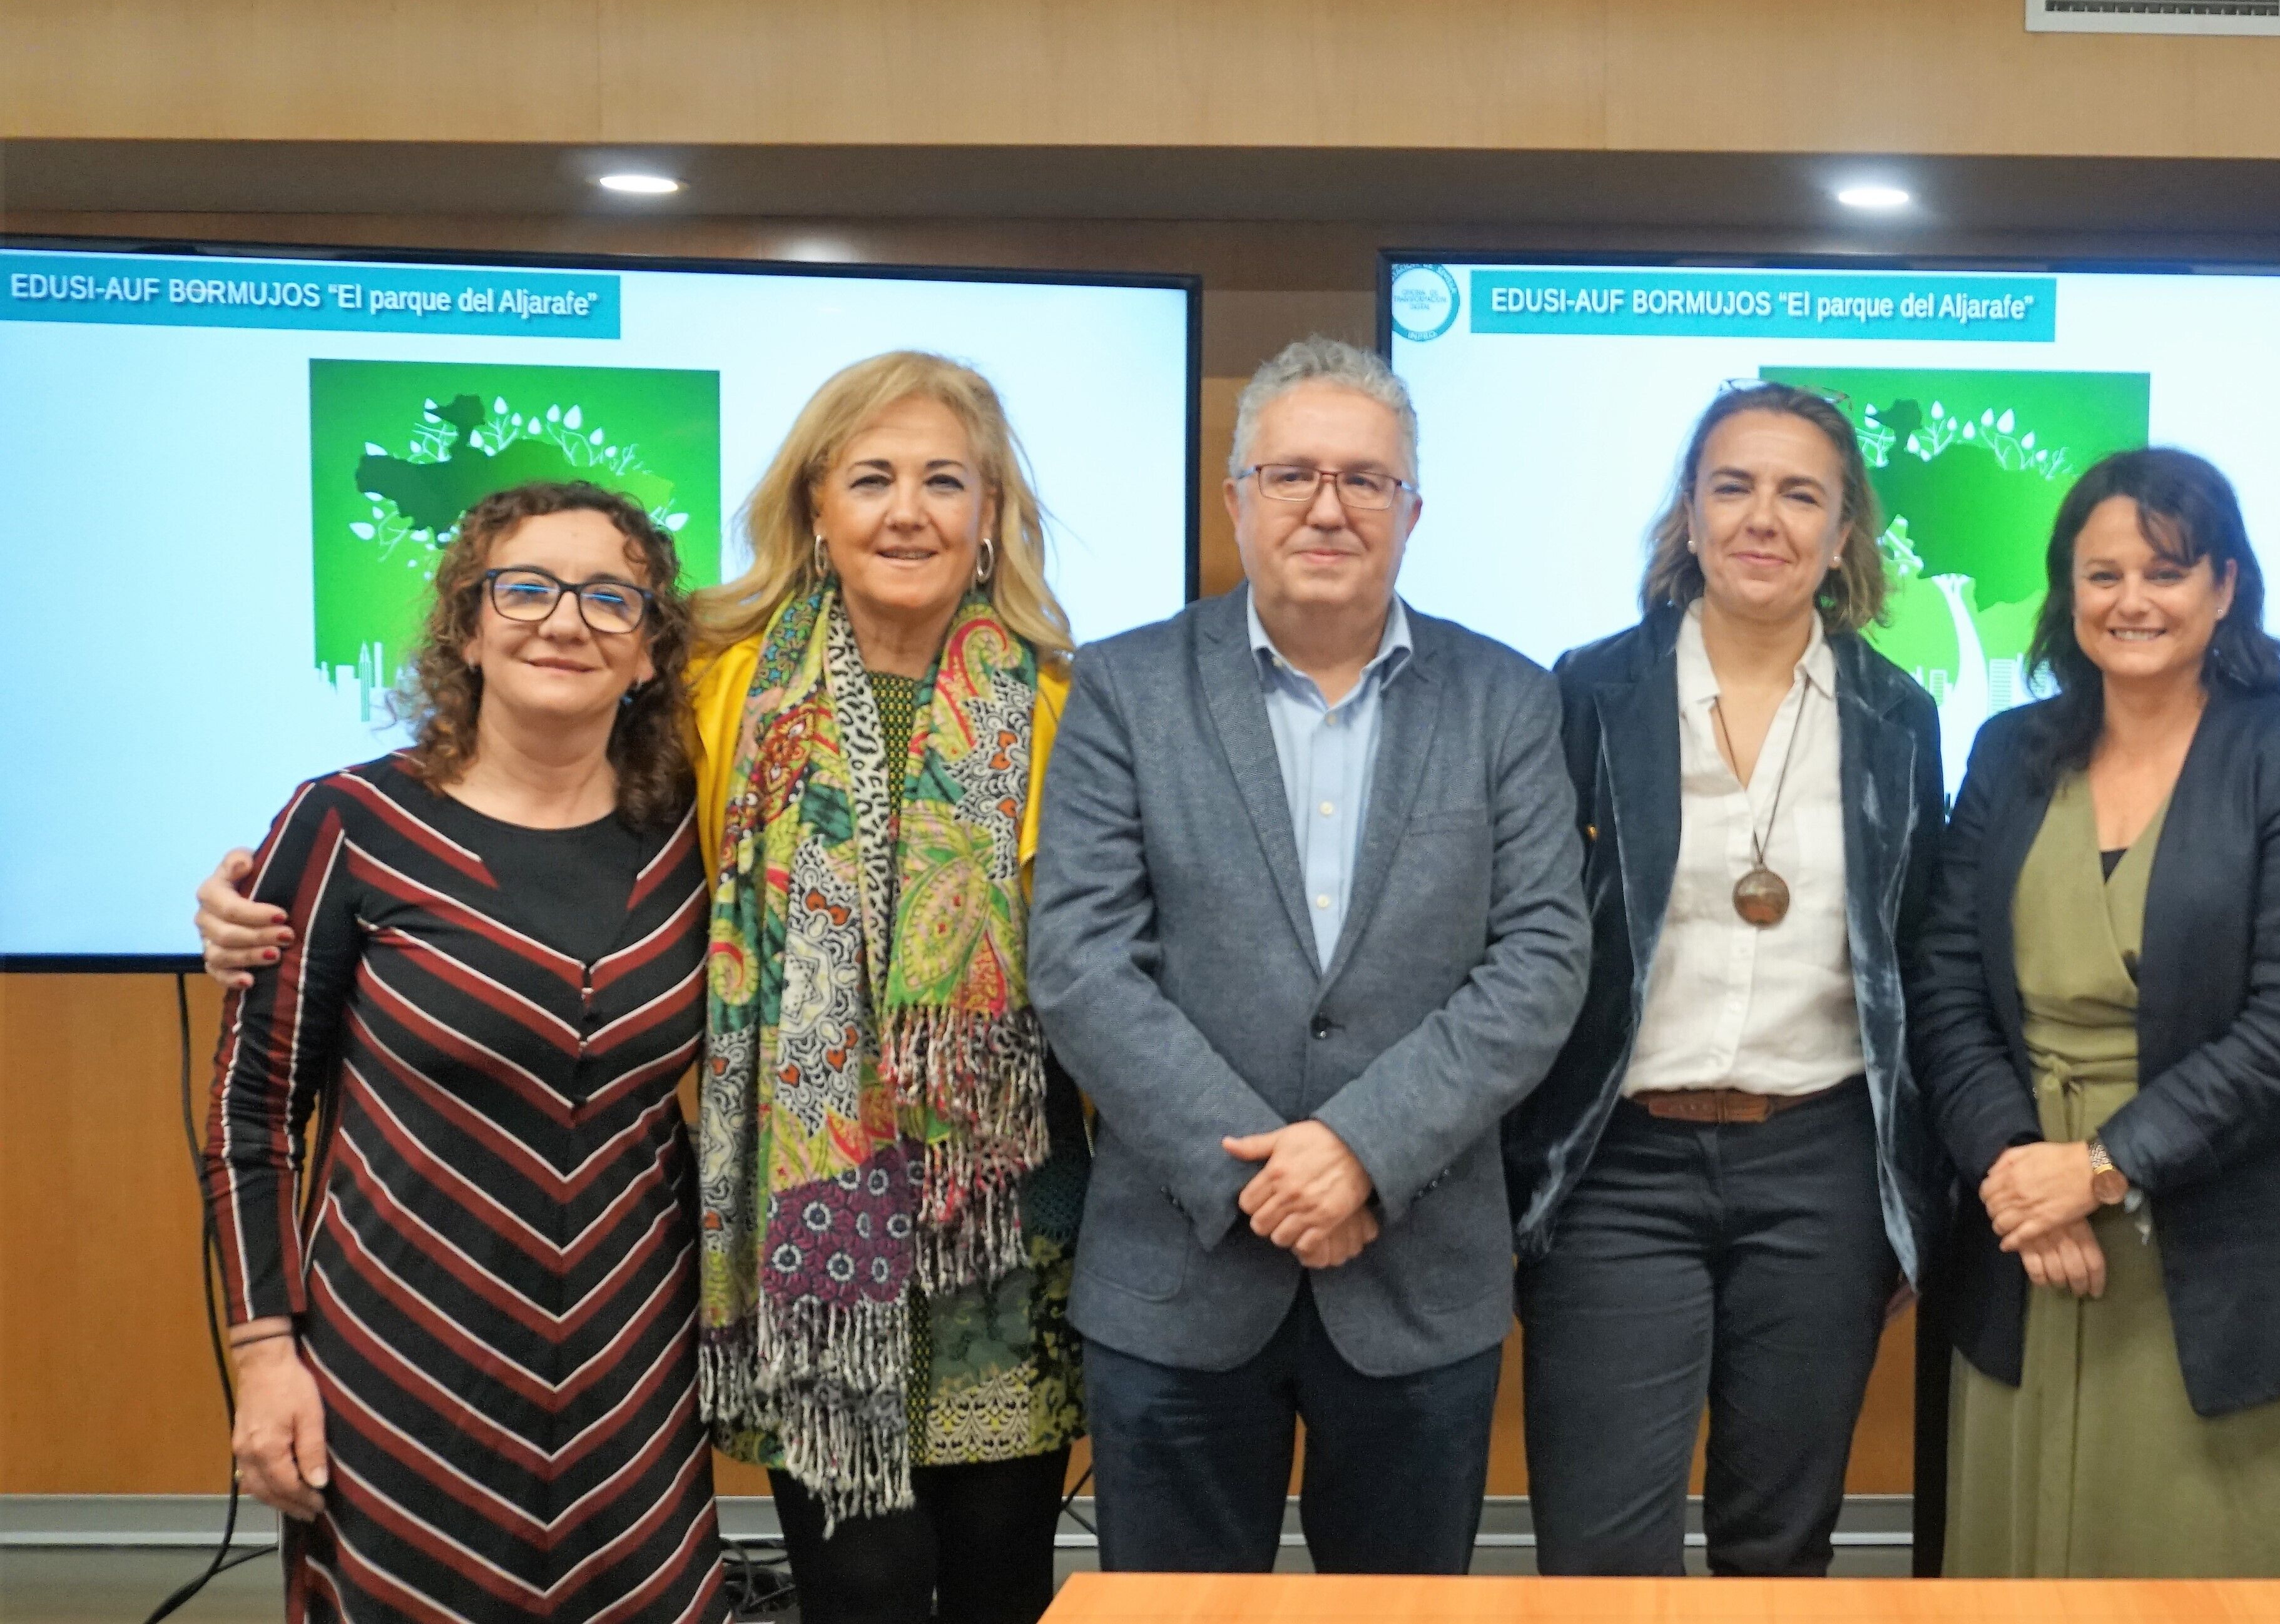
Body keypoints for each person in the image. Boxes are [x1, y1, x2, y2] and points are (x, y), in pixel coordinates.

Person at [206, 352, 1092, 1624]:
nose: (907, 511)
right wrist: (250, 900)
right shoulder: (718, 692)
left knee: (1006, 1586)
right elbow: (521, 776)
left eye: (944, 481)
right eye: (871, 478)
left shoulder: (1070, 708)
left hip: (1001, 1230)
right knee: (861, 1591)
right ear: (814, 507)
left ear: (991, 511)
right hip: (805, 1236)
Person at [1029, 337, 1587, 1575]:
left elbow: (1542, 956)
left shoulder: (1506, 698)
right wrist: (1264, 1182)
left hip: (1416, 1270)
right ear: (1236, 498)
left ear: (1411, 510)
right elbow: (1080, 959)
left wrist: (1360, 1153)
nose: (1327, 508)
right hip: (1179, 1272)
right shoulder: (1124, 688)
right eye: (1291, 475)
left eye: (1364, 480)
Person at [203, 481, 729, 1623]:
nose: (565, 620)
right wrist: (264, 1356)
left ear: (650, 654)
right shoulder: (347, 824)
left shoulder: (702, 836)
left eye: (610, 598)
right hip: (399, 1374)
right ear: (469, 629)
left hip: (633, 1373)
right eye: (525, 589)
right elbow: (252, 1116)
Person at [1910, 446, 2280, 1578]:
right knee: (2008, 1563)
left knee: (2200, 1571)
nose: (2131, 599)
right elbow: (1944, 980)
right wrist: (2018, 1170)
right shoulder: (2008, 752)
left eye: (2166, 571)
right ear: (2066, 591)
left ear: (2224, 586)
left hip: (2224, 1243)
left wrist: (2099, 1168)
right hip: (2020, 1234)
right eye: (2102, 574)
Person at [1504, 384, 1946, 1576]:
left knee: (1779, 1546)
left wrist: (1911, 1194)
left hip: (1819, 1165)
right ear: (1689, 516)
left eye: (1801, 494)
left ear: (1842, 534)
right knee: (1600, 1549)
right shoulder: (1587, 692)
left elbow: (1913, 954)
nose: (1764, 518)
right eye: (1733, 486)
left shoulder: (1899, 714)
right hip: (1617, 1166)